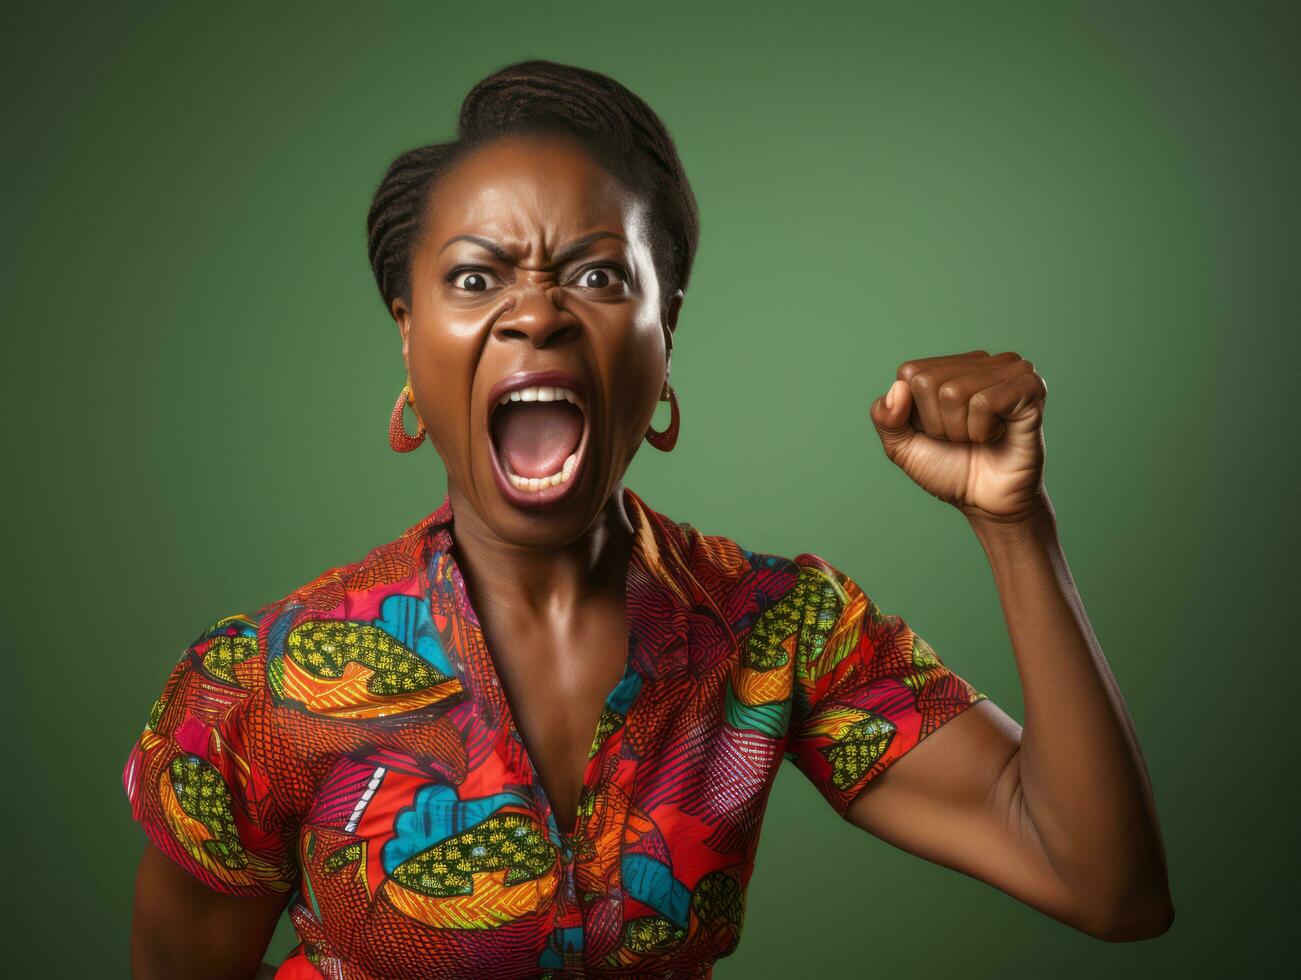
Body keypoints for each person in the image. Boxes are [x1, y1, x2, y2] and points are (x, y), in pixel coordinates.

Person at [123, 59, 1173, 979]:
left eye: (595, 274)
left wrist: (1013, 522)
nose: (535, 312)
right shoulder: (258, 686)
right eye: (476, 277)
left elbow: (1101, 882)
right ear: (409, 338)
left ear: (664, 332)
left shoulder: (778, 627)